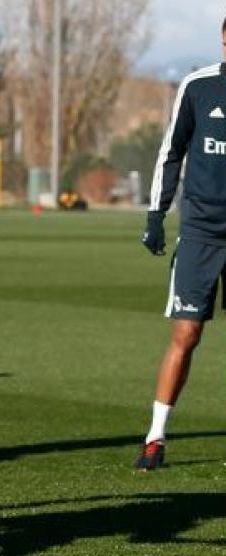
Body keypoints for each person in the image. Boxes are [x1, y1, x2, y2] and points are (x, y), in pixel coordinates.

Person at [136, 18, 226, 471]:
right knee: (187, 333)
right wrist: (156, 215)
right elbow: (170, 152)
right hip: (202, 233)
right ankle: (155, 436)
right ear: (225, 38)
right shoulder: (198, 87)